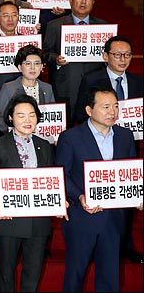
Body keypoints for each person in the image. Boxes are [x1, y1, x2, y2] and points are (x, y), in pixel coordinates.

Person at [57, 85, 141, 292]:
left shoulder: (125, 136)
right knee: (75, 274)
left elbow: (130, 172)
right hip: (82, 217)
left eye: (115, 106)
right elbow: (62, 173)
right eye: (105, 107)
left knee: (109, 275)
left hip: (114, 218)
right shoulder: (70, 137)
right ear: (89, 110)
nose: (112, 112)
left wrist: (137, 194)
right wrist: (80, 196)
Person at [74, 36, 144, 264]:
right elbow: (79, 113)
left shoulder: (137, 81)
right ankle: (97, 242)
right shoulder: (92, 79)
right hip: (95, 147)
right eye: (117, 54)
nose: (123, 59)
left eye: (127, 55)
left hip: (126, 146)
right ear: (105, 56)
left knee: (124, 200)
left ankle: (125, 244)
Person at [0, 94, 58, 292]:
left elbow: (51, 179)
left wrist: (59, 200)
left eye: (32, 115)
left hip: (38, 221)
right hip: (9, 219)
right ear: (10, 118)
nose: (27, 120)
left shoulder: (45, 145)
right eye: (21, 115)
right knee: (6, 275)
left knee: (32, 274)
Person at [43, 0, 106, 127]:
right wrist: (56, 59)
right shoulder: (55, 25)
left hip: (93, 85)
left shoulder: (103, 27)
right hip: (65, 85)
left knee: (93, 127)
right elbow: (45, 52)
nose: (83, 2)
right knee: (67, 127)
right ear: (71, 1)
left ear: (93, 2)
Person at [0, 45, 55, 133]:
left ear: (42, 67)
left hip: (42, 137)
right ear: (20, 67)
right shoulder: (8, 88)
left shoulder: (47, 88)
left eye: (37, 63)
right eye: (28, 64)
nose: (33, 67)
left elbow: (53, 116)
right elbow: (1, 119)